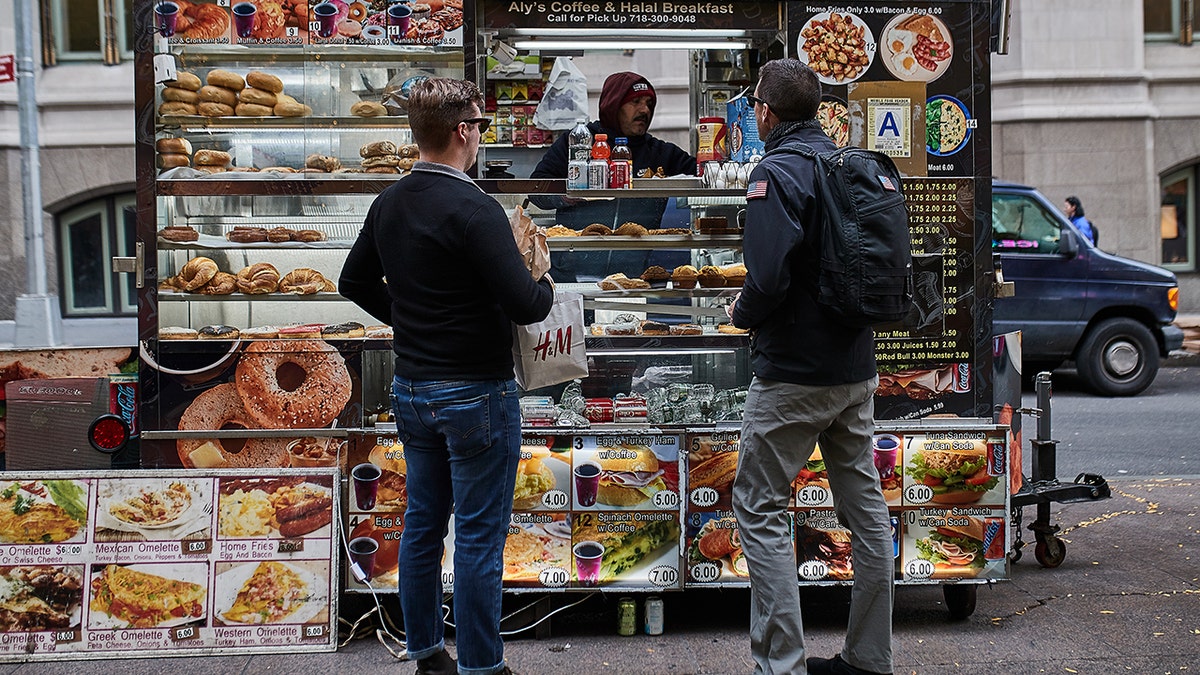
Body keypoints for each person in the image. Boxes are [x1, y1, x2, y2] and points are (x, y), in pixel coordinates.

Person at [339, 77, 554, 675]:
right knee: (480, 539)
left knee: (422, 526)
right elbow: (525, 304)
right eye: (480, 127)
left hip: (412, 388)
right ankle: (483, 667)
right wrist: (546, 281)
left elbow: (351, 282)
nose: (480, 137)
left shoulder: (390, 202)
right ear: (463, 132)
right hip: (476, 393)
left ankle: (428, 655)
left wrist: (409, 320)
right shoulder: (475, 207)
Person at [726, 59, 894, 675]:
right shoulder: (849, 162)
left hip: (793, 373)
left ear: (765, 113)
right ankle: (870, 658)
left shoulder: (777, 171)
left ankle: (782, 664)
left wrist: (742, 312)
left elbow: (767, 277)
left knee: (760, 503)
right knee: (867, 511)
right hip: (855, 369)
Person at [529, 71, 696, 282]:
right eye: (635, 102)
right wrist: (566, 196)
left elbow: (704, 176)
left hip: (631, 280)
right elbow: (536, 190)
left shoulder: (662, 154)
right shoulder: (578, 142)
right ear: (613, 104)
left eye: (649, 103)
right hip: (571, 276)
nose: (644, 110)